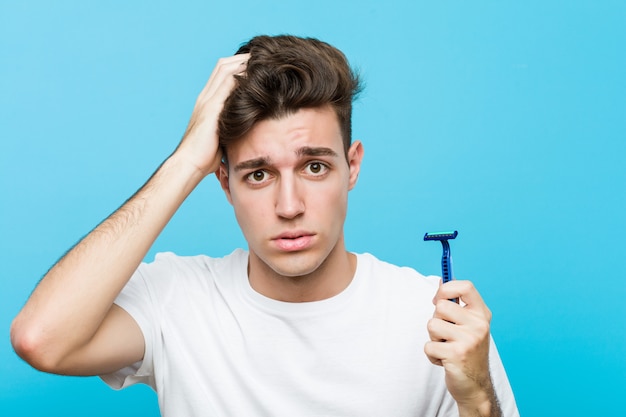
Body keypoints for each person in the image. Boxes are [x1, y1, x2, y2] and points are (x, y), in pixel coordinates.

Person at [11, 35, 518, 416]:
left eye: (314, 166)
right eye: (258, 174)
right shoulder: (178, 299)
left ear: (353, 165)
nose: (290, 204)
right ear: (225, 183)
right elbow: (41, 339)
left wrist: (477, 403)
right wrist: (187, 159)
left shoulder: (434, 318)